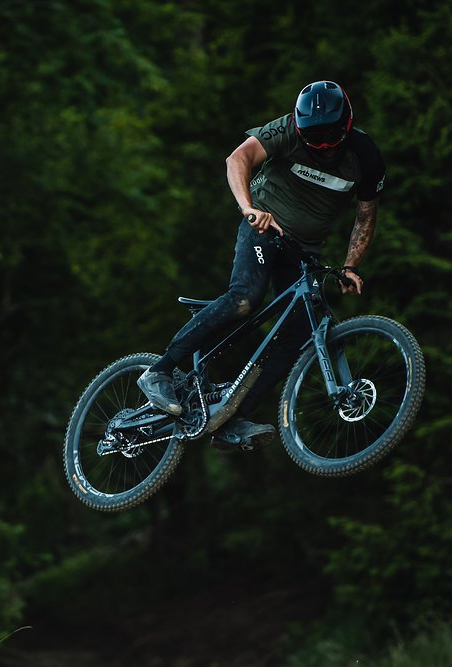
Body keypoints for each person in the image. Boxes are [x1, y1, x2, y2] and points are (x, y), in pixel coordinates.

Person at [136, 80, 386, 450]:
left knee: (299, 333)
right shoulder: (285, 129)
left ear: (346, 126)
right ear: (300, 127)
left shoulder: (365, 156)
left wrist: (350, 265)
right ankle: (159, 371)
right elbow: (237, 159)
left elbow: (365, 217)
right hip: (263, 231)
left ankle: (231, 422)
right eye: (312, 137)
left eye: (329, 136)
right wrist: (249, 208)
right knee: (244, 299)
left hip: (304, 253)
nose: (320, 145)